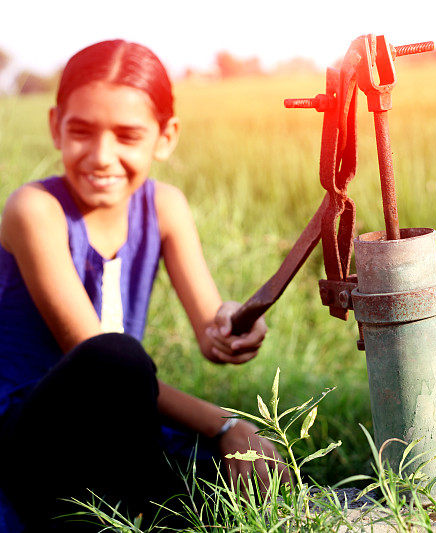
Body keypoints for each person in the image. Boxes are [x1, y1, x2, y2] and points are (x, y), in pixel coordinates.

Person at [0, 40, 288, 532]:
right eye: (81, 131)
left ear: (165, 135)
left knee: (246, 484)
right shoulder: (34, 210)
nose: (101, 155)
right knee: (118, 359)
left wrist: (235, 322)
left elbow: (211, 331)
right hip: (31, 434)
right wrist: (225, 423)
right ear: (55, 127)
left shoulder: (164, 206)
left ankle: (134, 501)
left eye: (127, 135)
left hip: (119, 427)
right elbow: (95, 357)